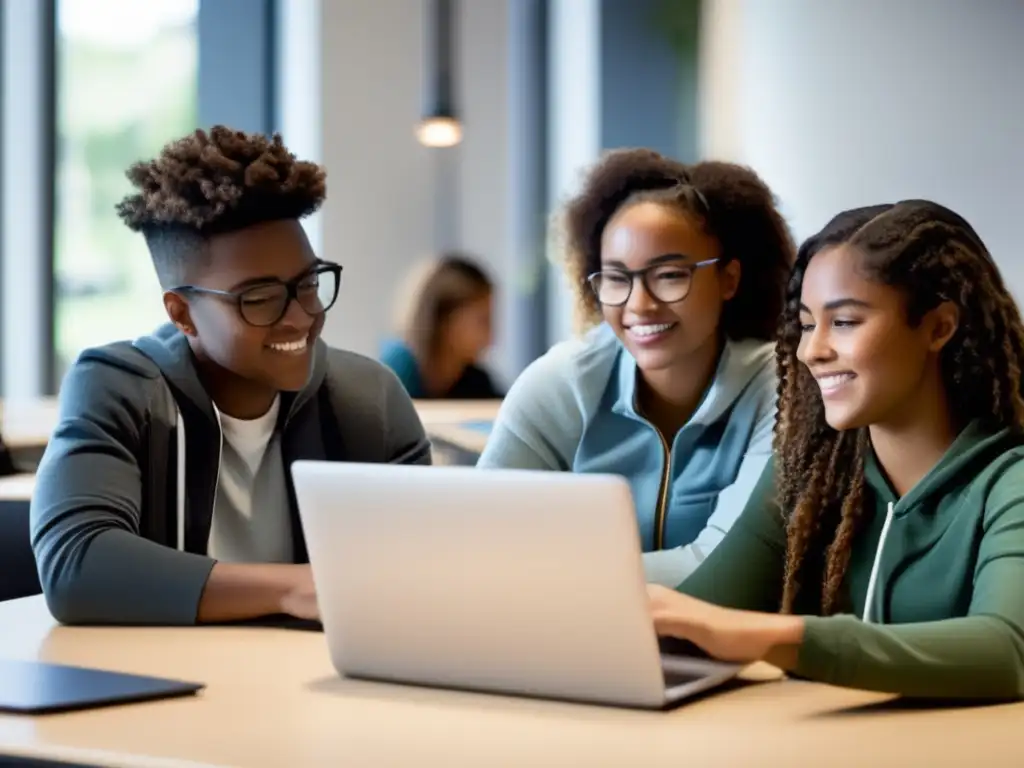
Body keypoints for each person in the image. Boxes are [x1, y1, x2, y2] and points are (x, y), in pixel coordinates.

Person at [30, 126, 431, 626]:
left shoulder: (369, 399)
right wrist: (296, 589)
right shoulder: (118, 389)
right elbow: (76, 568)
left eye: (308, 283)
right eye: (259, 298)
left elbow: (423, 574)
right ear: (182, 314)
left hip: (320, 685)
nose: (300, 316)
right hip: (164, 683)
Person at [650, 199, 1024, 700]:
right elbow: (702, 616)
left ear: (939, 327)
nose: (812, 350)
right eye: (807, 324)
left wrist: (771, 636)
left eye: (844, 322)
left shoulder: (1009, 481)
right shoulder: (808, 473)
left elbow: (1004, 652)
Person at [478, 149, 796, 587]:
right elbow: (484, 545)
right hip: (571, 639)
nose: (639, 305)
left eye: (669, 275)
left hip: (728, 652)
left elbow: (724, 577)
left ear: (729, 279)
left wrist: (546, 577)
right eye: (616, 277)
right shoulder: (560, 385)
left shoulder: (779, 389)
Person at [380, 253, 503, 399]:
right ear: (444, 321)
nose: (491, 337)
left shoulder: (475, 382)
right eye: (482, 321)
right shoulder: (395, 375)